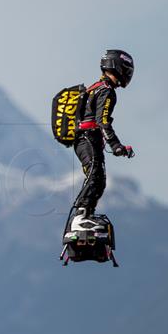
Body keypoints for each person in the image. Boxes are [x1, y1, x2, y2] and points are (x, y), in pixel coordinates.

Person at [69, 49, 135, 232]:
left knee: (97, 178)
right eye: (127, 69)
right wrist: (116, 146)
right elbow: (102, 121)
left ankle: (86, 215)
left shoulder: (94, 87)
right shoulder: (107, 91)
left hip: (82, 139)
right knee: (95, 176)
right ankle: (80, 218)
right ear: (118, 67)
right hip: (88, 138)